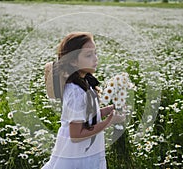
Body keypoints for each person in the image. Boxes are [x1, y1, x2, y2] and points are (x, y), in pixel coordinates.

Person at [42, 32, 125, 169]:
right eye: (88, 55)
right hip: (76, 154)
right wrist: (109, 121)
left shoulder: (83, 83)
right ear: (73, 61)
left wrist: (109, 110)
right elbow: (76, 135)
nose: (95, 59)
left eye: (95, 53)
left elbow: (86, 117)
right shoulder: (75, 92)